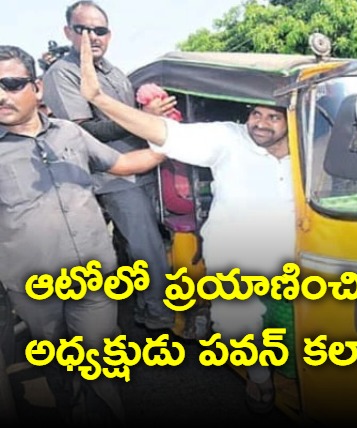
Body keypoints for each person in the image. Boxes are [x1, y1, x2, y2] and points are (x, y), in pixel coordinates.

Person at [77, 30, 292, 414]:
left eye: (272, 117)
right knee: (239, 321)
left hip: (297, 251)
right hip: (236, 250)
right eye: (255, 114)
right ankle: (258, 381)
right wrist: (99, 99)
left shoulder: (308, 151)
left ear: (290, 122)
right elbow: (163, 132)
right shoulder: (228, 139)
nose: (259, 123)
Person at [0, 45, 165, 426]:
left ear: (37, 88)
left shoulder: (71, 133)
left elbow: (122, 163)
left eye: (11, 83)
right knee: (57, 362)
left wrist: (169, 145)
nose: (2, 95)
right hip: (33, 288)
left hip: (94, 277)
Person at [42, 1, 177, 330]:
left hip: (145, 164)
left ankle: (143, 304)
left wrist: (152, 108)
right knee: (146, 245)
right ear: (68, 32)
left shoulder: (114, 71)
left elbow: (129, 115)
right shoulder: (62, 73)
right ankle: (157, 317)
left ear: (109, 34)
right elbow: (83, 130)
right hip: (112, 174)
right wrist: (144, 119)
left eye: (99, 30)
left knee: (149, 241)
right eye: (82, 29)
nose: (92, 36)